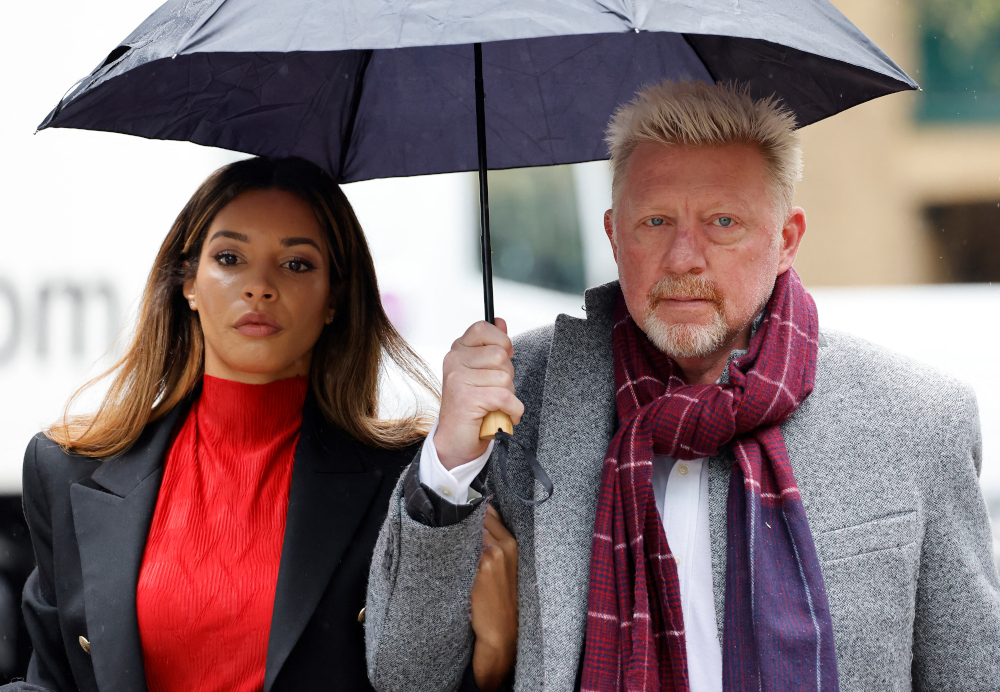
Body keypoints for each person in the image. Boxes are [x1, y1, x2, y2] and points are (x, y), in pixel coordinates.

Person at [365, 81, 1000, 692]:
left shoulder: (916, 420)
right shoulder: (518, 395)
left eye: (723, 221)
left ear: (786, 240)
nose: (683, 259)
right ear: (615, 235)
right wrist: (449, 465)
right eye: (656, 222)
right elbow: (405, 673)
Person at [5, 156, 514, 692]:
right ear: (189, 284)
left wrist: (495, 660)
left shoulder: (411, 485)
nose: (260, 286)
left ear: (334, 299)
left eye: (296, 264)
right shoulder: (66, 468)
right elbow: (52, 679)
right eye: (230, 257)